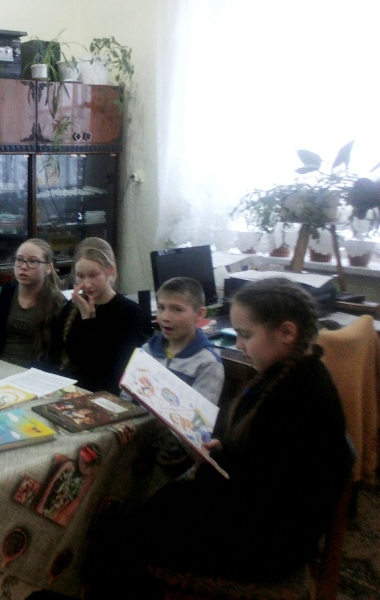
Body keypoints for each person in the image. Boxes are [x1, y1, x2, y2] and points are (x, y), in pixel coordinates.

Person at [83, 278, 353, 599]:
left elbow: (263, 494)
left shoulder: (299, 398)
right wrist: (221, 453)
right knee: (138, 519)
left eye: (246, 335)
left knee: (117, 542)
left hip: (268, 543)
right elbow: (264, 459)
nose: (238, 345)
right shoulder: (290, 373)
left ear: (287, 333)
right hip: (256, 517)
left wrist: (212, 466)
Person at [61, 237, 152, 393]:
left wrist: (88, 320)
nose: (87, 284)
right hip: (73, 388)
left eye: (93, 275)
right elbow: (68, 358)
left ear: (111, 270)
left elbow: (108, 369)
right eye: (80, 276)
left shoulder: (129, 312)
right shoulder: (72, 306)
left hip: (106, 392)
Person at [0, 238, 69, 368]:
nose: (23, 266)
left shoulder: (59, 304)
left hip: (36, 372)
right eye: (19, 259)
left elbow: (56, 354)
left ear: (48, 268)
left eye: (32, 261)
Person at [144, 277, 224, 404]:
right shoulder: (147, 350)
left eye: (177, 309)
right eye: (161, 308)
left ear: (199, 314)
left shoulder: (208, 364)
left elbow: (198, 414)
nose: (165, 317)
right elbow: (127, 398)